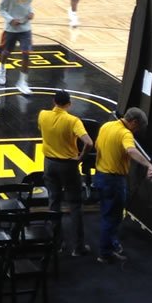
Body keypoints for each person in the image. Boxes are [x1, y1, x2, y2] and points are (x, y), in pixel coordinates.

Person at [93, 107, 152, 263]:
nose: (137, 131)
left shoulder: (107, 126)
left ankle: (110, 244)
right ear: (133, 122)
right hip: (113, 181)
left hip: (100, 176)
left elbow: (96, 146)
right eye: (138, 127)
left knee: (106, 214)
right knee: (113, 217)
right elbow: (131, 150)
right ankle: (105, 253)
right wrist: (148, 165)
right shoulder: (125, 133)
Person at [37, 89, 93, 255]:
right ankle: (78, 247)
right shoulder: (73, 121)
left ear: (54, 102)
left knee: (54, 202)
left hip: (49, 164)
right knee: (75, 205)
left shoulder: (42, 115)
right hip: (68, 166)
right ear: (69, 104)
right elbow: (88, 142)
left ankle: (57, 244)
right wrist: (81, 157)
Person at [0, 0, 36, 93]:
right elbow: (0, 9)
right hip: (11, 29)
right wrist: (10, 19)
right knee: (6, 52)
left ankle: (22, 81)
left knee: (26, 54)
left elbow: (28, 5)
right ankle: (2, 67)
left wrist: (31, 12)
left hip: (25, 28)